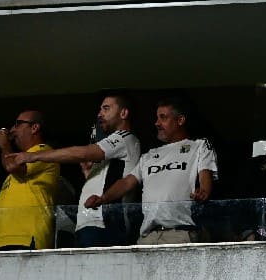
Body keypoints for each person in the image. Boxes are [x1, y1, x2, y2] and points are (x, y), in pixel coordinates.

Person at [7, 94, 140, 247]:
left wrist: (33, 156)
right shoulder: (114, 149)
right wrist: (88, 174)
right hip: (89, 223)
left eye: (106, 108)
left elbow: (85, 153)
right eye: (100, 109)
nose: (100, 114)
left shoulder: (125, 138)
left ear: (123, 113)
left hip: (108, 223)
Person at [84, 97, 218, 245]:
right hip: (148, 236)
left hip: (180, 233)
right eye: (157, 118)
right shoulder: (149, 155)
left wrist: (203, 191)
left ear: (180, 120)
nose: (157, 123)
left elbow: (205, 176)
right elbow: (127, 182)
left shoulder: (199, 145)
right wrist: (103, 198)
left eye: (163, 117)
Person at [0, 110, 60, 250]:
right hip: (1, 240)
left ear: (34, 127)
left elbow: (12, 166)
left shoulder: (44, 152)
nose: (12, 129)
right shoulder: (15, 168)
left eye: (18, 124)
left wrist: (5, 145)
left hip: (27, 238)